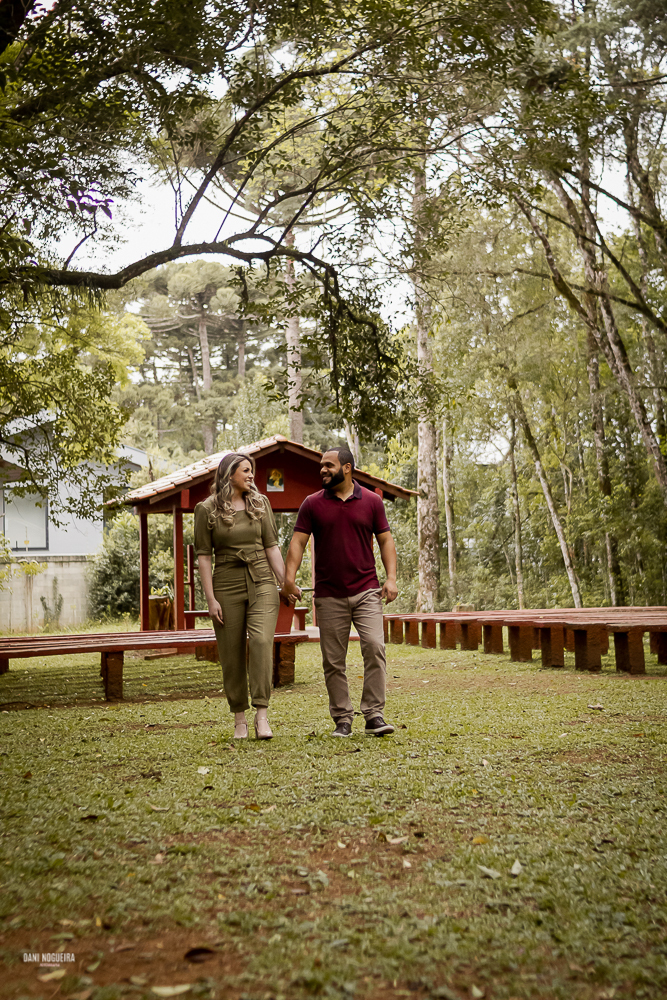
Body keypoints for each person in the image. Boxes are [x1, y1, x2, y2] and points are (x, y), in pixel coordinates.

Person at [281, 446, 398, 737]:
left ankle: (374, 714)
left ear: (347, 468)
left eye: (329, 465)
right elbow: (297, 542)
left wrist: (391, 578)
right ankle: (342, 718)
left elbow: (385, 540)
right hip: (329, 594)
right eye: (321, 465)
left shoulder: (371, 501)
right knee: (333, 660)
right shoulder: (312, 504)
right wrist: (288, 579)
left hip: (367, 590)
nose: (323, 469)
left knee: (374, 647)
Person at [194, 453, 290, 740]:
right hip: (226, 582)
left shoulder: (261, 503)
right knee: (231, 653)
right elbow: (204, 557)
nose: (251, 475)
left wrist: (285, 582)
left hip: (261, 579)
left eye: (252, 470)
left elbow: (272, 546)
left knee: (261, 642)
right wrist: (211, 599)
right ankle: (239, 719)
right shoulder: (206, 509)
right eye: (246, 470)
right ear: (229, 474)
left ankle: (262, 716)